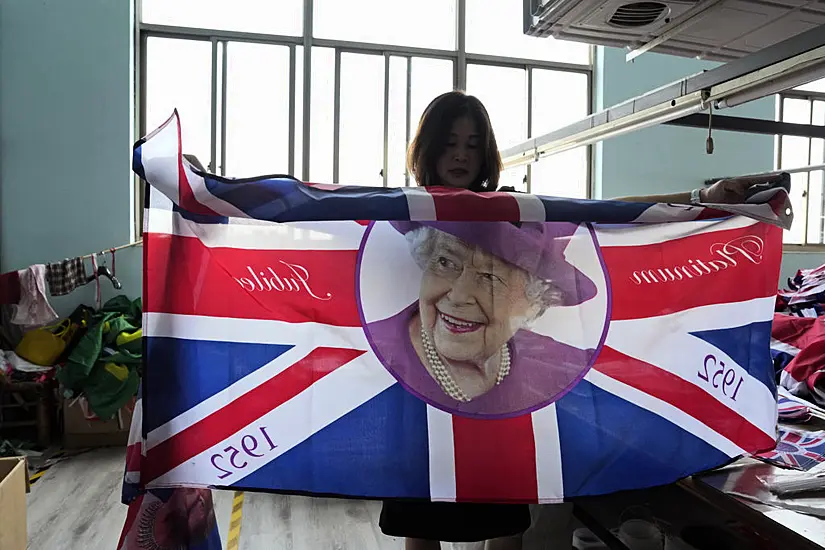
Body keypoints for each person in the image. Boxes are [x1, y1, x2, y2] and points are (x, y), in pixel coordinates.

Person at [379, 90, 784, 550]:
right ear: (428, 147)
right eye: (450, 142)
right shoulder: (400, 212)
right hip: (417, 391)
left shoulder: (509, 211)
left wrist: (700, 199)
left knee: (504, 518)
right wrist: (282, 205)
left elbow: (603, 213)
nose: (460, 155)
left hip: (499, 393)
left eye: (472, 145)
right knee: (422, 517)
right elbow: (327, 217)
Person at [366, 219, 597, 415]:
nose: (458, 296)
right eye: (446, 262)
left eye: (490, 276)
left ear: (534, 301)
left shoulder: (567, 371)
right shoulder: (365, 360)